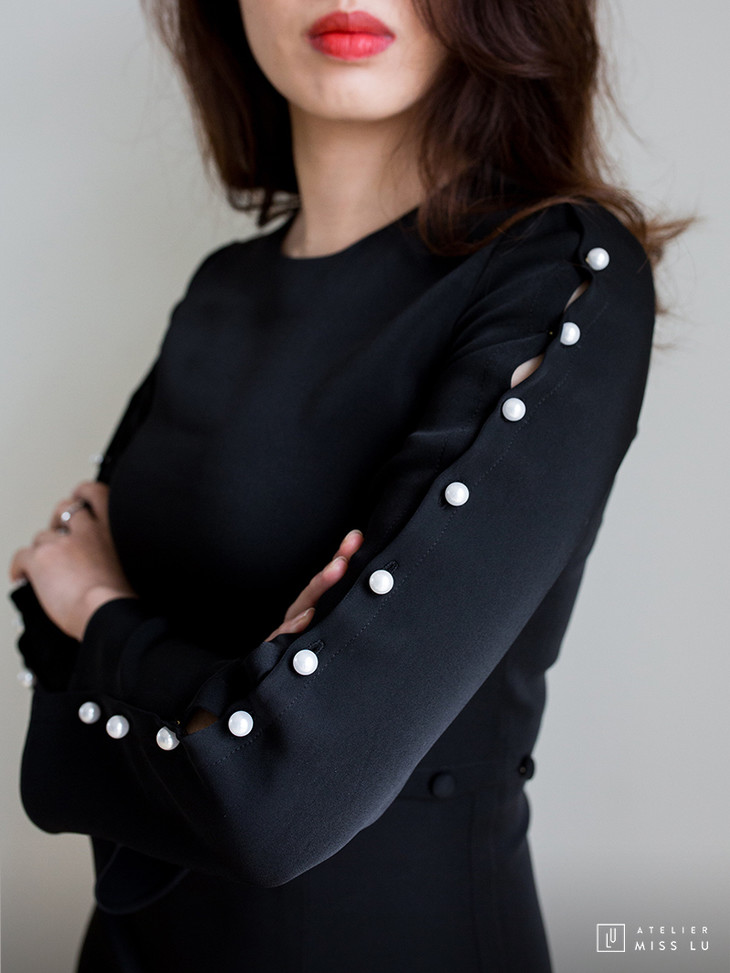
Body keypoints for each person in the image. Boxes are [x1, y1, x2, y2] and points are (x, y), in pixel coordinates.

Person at [8, 1, 683, 970]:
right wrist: (243, 694)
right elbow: (50, 669)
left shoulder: (558, 271)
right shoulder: (220, 287)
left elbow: (282, 796)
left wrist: (100, 609)